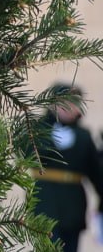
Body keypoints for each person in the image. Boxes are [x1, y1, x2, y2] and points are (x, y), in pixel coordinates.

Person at [29, 82, 103, 252]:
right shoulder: (37, 129)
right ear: (53, 104)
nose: (71, 108)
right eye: (66, 102)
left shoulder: (84, 137)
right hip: (45, 202)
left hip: (73, 207)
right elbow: (26, 154)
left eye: (76, 103)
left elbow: (96, 174)